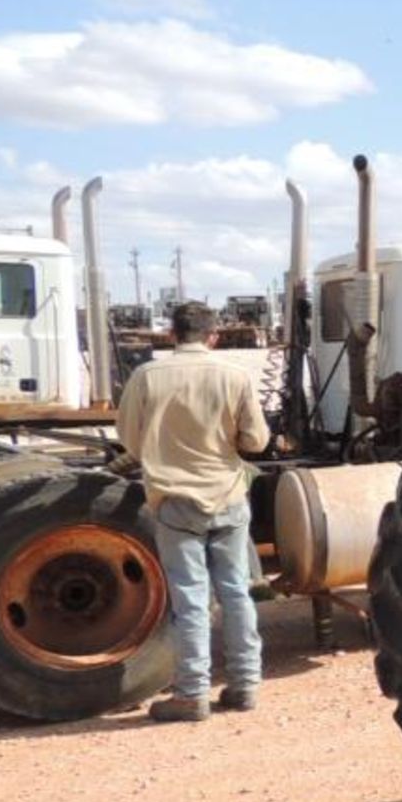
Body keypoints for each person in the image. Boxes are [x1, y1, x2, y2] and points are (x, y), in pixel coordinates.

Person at [116, 301, 271, 721]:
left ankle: (192, 694)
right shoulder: (235, 376)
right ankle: (244, 685)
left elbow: (130, 439)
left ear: (171, 334)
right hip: (228, 497)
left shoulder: (147, 376)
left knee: (190, 599)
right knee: (237, 592)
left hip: (175, 501)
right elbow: (256, 441)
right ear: (213, 336)